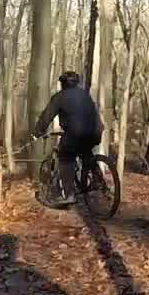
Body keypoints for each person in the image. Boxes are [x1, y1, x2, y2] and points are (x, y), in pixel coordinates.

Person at [32, 70, 104, 206]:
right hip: (95, 132)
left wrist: (37, 132)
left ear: (63, 84)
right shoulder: (85, 95)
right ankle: (97, 179)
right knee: (85, 151)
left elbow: (46, 116)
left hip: (75, 134)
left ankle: (69, 194)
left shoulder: (60, 97)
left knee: (65, 158)